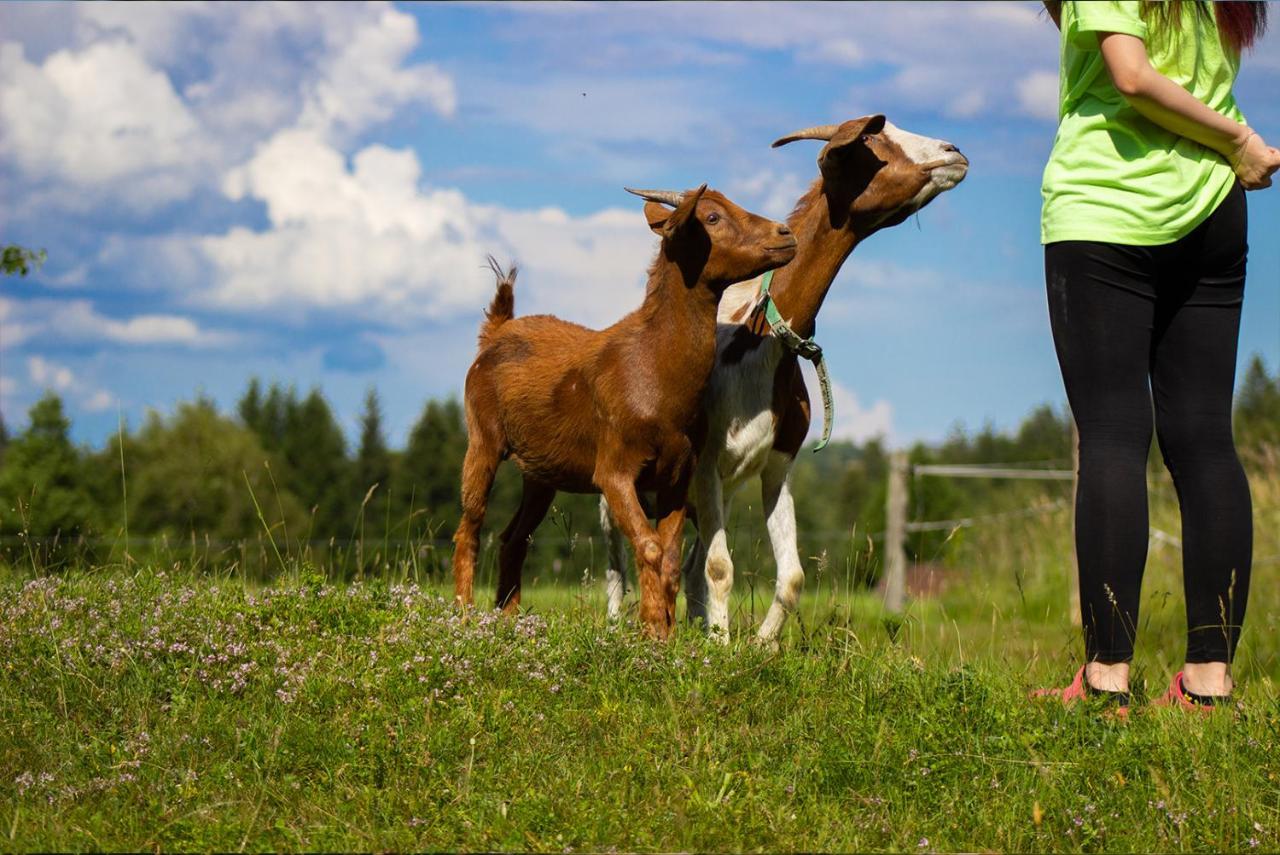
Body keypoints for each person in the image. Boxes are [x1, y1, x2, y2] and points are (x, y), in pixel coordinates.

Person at [1036, 0, 1279, 713]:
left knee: (1113, 436)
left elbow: (1132, 75)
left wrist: (1239, 138)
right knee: (1205, 441)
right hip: (1211, 208)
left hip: (1108, 208)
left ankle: (1108, 678)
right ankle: (1208, 681)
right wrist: (1234, 154)